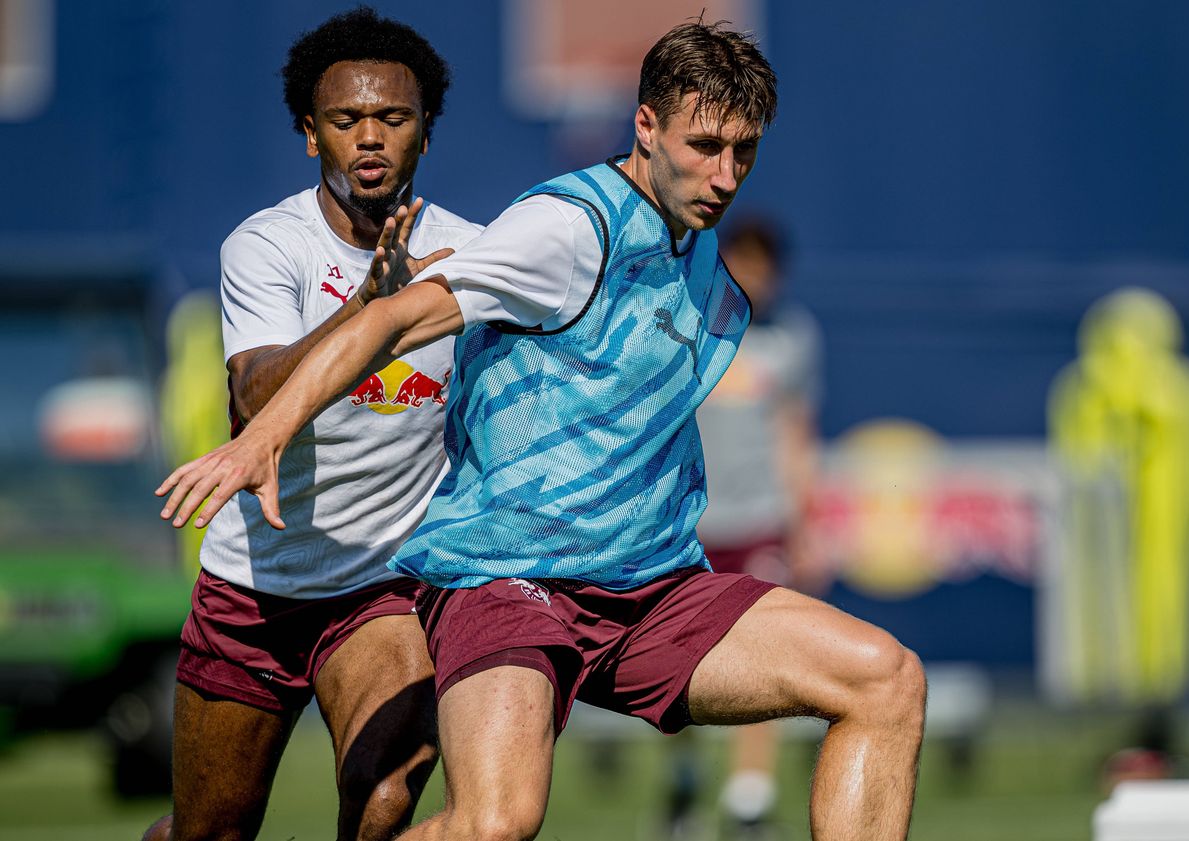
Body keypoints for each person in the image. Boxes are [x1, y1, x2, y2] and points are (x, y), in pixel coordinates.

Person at [157, 21, 926, 841]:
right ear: (645, 126)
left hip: (631, 587)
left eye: (745, 153)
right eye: (704, 145)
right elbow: (391, 320)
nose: (725, 175)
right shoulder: (563, 230)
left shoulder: (701, 265)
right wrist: (263, 434)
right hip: (499, 579)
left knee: (887, 678)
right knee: (487, 823)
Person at [143, 9, 481, 841]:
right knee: (208, 833)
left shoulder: (475, 254)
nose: (370, 137)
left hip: (382, 586)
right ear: (309, 135)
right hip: (255, 586)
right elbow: (257, 399)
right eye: (345, 119)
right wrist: (370, 304)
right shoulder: (265, 246)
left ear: (426, 134)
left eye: (394, 118)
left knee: (387, 797)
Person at [672, 216, 826, 839]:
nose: (754, 277)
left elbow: (795, 433)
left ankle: (749, 796)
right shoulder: (689, 322)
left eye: (765, 266)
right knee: (682, 662)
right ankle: (682, 778)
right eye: (744, 262)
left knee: (765, 659)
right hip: (691, 521)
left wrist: (805, 522)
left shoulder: (792, 340)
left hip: (761, 520)